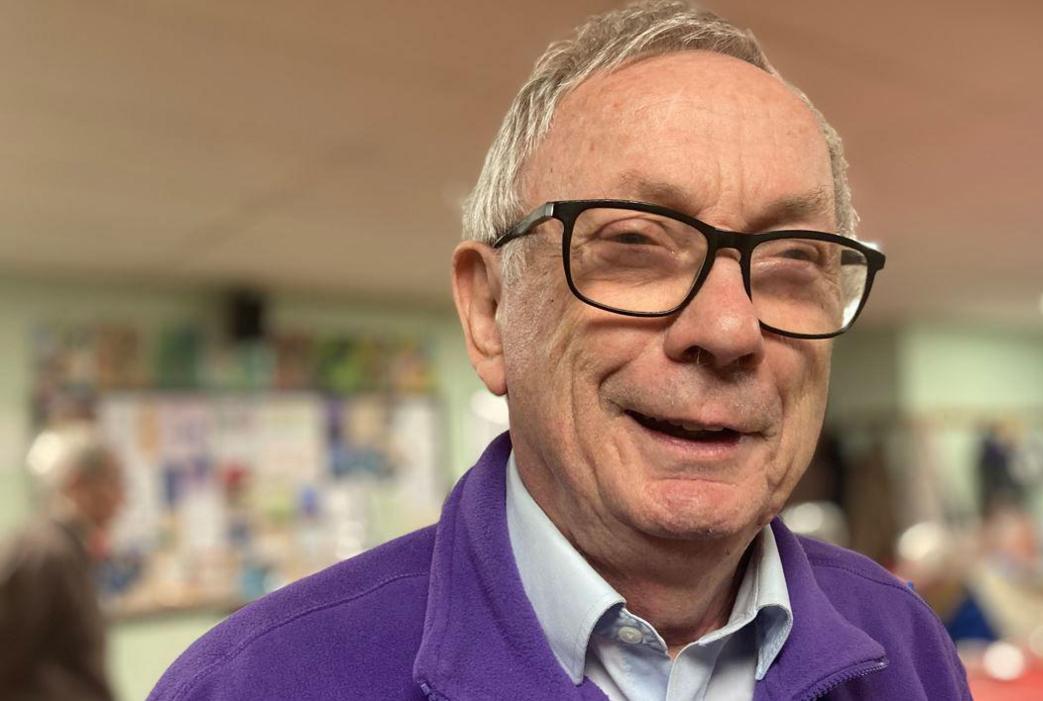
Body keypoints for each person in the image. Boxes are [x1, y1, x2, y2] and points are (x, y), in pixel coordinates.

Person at [152, 2, 970, 698]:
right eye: (637, 243)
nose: (728, 330)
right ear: (490, 310)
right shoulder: (257, 681)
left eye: (795, 259)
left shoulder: (906, 647)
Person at [1, 423, 124, 701]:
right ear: (77, 483)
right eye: (113, 481)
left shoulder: (68, 549)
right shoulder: (44, 553)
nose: (122, 498)